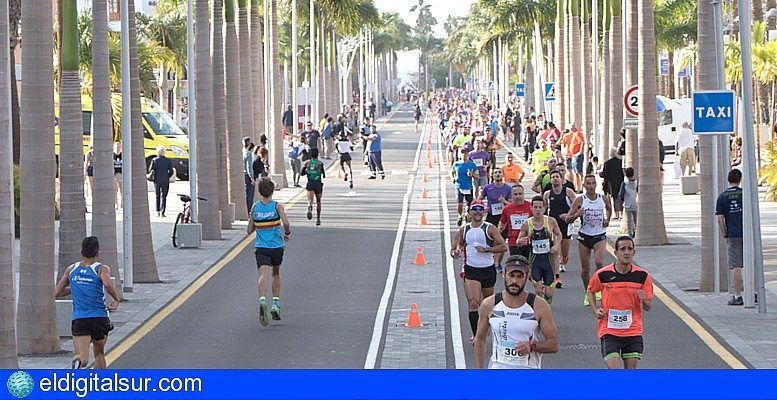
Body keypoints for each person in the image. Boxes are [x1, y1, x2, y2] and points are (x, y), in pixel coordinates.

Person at [473, 255, 559, 369]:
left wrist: (532, 346)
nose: (514, 281)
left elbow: (554, 344)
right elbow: (479, 339)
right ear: (504, 274)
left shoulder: (539, 305)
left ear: (527, 276)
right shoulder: (489, 304)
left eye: (519, 277)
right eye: (511, 275)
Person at [587, 236, 653, 369]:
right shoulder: (603, 274)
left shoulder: (643, 276)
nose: (626, 252)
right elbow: (590, 291)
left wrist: (644, 300)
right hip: (609, 330)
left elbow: (648, 306)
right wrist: (595, 309)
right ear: (616, 253)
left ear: (634, 252)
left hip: (632, 330)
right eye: (622, 249)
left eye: (630, 249)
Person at [54, 236, 120, 369]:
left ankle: (78, 363)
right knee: (99, 353)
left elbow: (57, 292)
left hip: (80, 319)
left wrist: (76, 287)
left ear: (81, 252)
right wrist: (116, 299)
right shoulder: (101, 268)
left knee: (82, 357)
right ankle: (99, 385)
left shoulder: (71, 269)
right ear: (98, 252)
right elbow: (107, 284)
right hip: (99, 318)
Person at [451, 200, 508, 344]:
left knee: (487, 305)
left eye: (480, 209)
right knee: (473, 303)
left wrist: (487, 249)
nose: (477, 212)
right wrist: (456, 252)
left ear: (484, 212)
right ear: (469, 212)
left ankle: (487, 327)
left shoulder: (490, 228)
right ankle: (477, 336)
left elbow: (503, 247)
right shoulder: (463, 230)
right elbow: (454, 248)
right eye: (474, 209)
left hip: (487, 270)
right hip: (471, 270)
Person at [247, 178, 291, 326]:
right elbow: (286, 222)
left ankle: (262, 300)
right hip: (276, 247)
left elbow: (249, 230)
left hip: (261, 248)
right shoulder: (277, 206)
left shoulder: (255, 208)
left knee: (263, 275)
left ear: (260, 191)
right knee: (276, 273)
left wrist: (257, 224)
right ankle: (276, 304)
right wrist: (287, 233)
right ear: (272, 191)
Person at [566, 175, 613, 306]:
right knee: (585, 268)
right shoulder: (580, 200)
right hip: (584, 236)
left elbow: (609, 208)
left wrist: (607, 219)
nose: (591, 186)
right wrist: (576, 215)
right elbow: (568, 219)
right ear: (584, 185)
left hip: (599, 235)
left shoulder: (603, 199)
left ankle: (600, 289)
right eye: (588, 183)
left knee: (599, 262)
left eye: (593, 183)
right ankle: (588, 292)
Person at [518, 196, 562, 304]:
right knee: (538, 291)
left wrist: (556, 246)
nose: (538, 210)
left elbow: (559, 234)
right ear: (531, 208)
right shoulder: (526, 224)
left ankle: (546, 306)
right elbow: (518, 240)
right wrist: (520, 241)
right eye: (535, 207)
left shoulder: (551, 221)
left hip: (549, 260)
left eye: (540, 207)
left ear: (544, 208)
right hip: (534, 261)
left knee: (549, 292)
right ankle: (542, 312)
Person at [716, 169, 745, 306]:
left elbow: (720, 219)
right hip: (747, 233)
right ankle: (755, 293)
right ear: (740, 179)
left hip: (733, 235)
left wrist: (725, 233)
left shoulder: (722, 197)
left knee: (736, 266)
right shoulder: (744, 194)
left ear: (729, 179)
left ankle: (737, 295)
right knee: (752, 263)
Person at [544, 169, 577, 275]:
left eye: (557, 177)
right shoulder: (547, 194)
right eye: (552, 177)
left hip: (565, 222)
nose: (555, 179)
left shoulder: (568, 191)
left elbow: (577, 204)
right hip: (553, 222)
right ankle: (558, 264)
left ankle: (564, 259)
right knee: (555, 244)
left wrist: (570, 215)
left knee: (565, 249)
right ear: (550, 180)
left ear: (561, 178)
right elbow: (544, 207)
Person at [479, 168, 512, 269]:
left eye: (499, 172)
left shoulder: (508, 188)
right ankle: (490, 261)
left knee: (502, 240)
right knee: (490, 240)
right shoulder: (487, 188)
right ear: (492, 175)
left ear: (503, 174)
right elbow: (479, 199)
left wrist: (504, 201)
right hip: (491, 216)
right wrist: (484, 208)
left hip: (503, 217)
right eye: (495, 173)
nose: (497, 174)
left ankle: (497, 264)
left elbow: (511, 203)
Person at [498, 184, 533, 261]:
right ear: (512, 195)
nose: (518, 196)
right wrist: (500, 228)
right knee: (517, 267)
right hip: (514, 242)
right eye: (515, 194)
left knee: (529, 266)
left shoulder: (531, 206)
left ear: (523, 194)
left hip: (528, 241)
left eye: (520, 194)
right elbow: (502, 222)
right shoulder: (507, 208)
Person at [451, 148, 478, 226]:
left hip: (468, 187)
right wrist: (453, 178)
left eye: (465, 154)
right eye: (462, 154)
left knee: (468, 205)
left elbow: (477, 176)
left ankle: (467, 218)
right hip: (459, 186)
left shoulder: (472, 165)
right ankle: (460, 216)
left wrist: (472, 175)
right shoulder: (456, 164)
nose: (464, 155)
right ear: (460, 155)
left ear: (468, 155)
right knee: (460, 204)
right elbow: (451, 172)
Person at [302, 148, 325, 226]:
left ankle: (310, 207)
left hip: (310, 183)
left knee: (310, 200)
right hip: (318, 183)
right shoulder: (320, 163)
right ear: (317, 154)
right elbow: (323, 174)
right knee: (318, 201)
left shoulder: (307, 163)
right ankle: (318, 219)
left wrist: (308, 171)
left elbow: (302, 173)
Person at [148, 145, 174, 217]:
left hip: (156, 179)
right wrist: (167, 176)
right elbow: (171, 171)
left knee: (157, 195)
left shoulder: (154, 160)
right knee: (164, 196)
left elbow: (150, 170)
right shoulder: (168, 160)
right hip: (165, 179)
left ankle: (157, 211)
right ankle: (163, 212)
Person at [600, 147, 624, 220]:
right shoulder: (620, 162)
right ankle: (621, 213)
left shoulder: (607, 163)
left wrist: (599, 173)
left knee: (614, 198)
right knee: (620, 197)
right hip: (619, 182)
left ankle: (616, 214)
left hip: (610, 183)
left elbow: (604, 174)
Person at [619, 167, 639, 238]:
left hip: (627, 204)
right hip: (635, 203)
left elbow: (621, 194)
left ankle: (630, 233)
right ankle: (637, 231)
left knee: (629, 221)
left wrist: (623, 199)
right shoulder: (636, 182)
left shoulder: (624, 184)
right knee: (636, 219)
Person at [113, 142, 123, 209]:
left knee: (121, 189)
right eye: (117, 147)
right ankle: (115, 203)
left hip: (121, 173)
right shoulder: (112, 155)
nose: (118, 148)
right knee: (114, 189)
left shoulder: (123, 155)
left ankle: (122, 203)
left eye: (119, 147)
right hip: (114, 174)